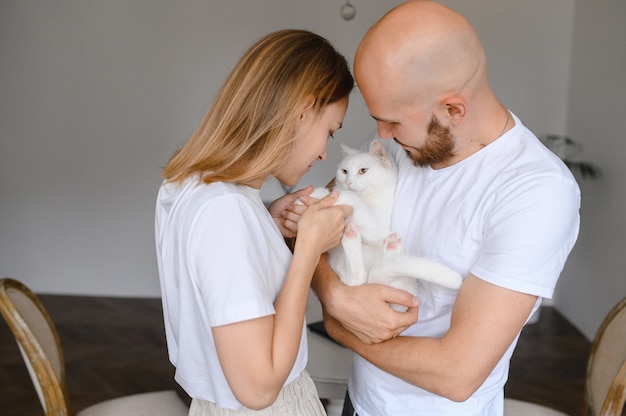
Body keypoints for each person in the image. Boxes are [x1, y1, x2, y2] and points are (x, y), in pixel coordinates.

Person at [281, 2, 581, 415]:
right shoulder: (402, 138)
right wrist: (333, 292)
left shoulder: (536, 193)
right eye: (378, 119)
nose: (381, 134)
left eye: (392, 122)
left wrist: (337, 324)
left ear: (453, 110)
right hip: (360, 401)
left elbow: (456, 374)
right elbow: (325, 216)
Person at [155, 29, 354, 415]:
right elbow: (258, 388)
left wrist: (264, 222)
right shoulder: (225, 214)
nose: (324, 153)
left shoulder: (189, 184)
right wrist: (308, 251)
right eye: (329, 131)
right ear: (302, 111)